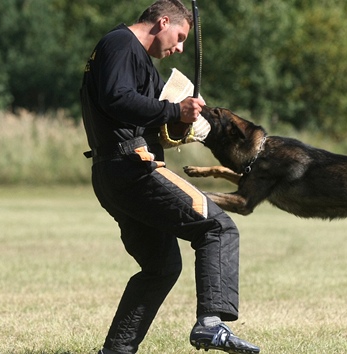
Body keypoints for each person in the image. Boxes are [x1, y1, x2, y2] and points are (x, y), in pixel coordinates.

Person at [79, 1, 260, 353]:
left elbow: (142, 112)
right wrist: (175, 109)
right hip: (133, 167)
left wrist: (180, 120)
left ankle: (115, 351)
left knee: (161, 267)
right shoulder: (120, 44)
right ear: (163, 22)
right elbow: (117, 99)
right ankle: (211, 324)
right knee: (218, 227)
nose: (178, 48)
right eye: (179, 37)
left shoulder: (135, 58)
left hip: (112, 171)